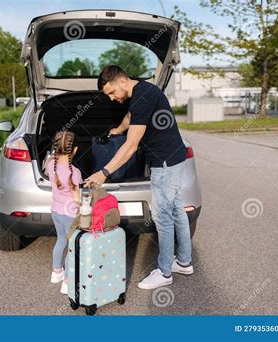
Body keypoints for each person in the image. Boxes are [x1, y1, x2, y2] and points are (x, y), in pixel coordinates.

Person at [85, 65, 193, 290]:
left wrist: (104, 172)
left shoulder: (141, 97)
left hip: (164, 162)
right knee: (177, 211)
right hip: (176, 157)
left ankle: (164, 272)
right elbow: (130, 116)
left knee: (163, 218)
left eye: (112, 93)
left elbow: (132, 145)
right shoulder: (142, 91)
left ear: (123, 81)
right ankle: (184, 262)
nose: (112, 98)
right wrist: (118, 129)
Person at [46, 131, 82, 294]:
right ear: (74, 150)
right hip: (70, 215)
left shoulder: (49, 164)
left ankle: (56, 272)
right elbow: (77, 198)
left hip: (55, 212)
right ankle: (67, 282)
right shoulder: (74, 172)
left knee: (61, 240)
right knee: (73, 247)